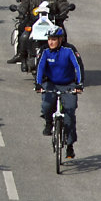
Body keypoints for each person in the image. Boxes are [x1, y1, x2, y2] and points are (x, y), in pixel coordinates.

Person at [35, 27, 83, 159]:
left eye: (54, 39)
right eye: (49, 39)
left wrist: (79, 84)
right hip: (50, 83)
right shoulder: (44, 51)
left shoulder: (69, 50)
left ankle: (70, 146)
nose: (51, 42)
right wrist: (38, 84)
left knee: (70, 111)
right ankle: (49, 123)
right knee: (46, 105)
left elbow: (78, 67)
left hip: (68, 85)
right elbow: (40, 67)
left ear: (61, 39)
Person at [9, 0, 70, 64]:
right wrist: (21, 12)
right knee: (23, 32)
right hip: (33, 21)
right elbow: (24, 4)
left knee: (62, 34)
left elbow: (63, 4)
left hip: (52, 21)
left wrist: (64, 11)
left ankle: (65, 56)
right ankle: (21, 55)